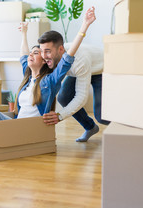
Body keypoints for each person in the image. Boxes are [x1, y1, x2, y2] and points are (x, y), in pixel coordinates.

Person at [40, 8, 110, 142]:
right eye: (42, 51)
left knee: (101, 115)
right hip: (77, 71)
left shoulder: (79, 61)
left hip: (100, 70)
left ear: (61, 50)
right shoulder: (53, 57)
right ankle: (90, 127)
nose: (44, 56)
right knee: (64, 97)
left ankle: (125, 128)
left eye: (47, 51)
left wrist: (60, 116)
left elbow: (81, 97)